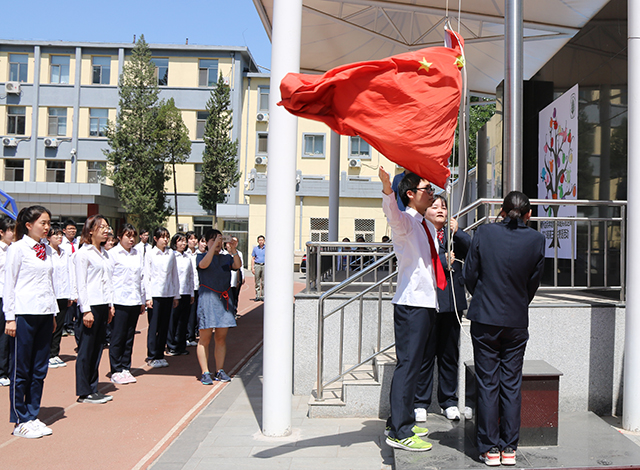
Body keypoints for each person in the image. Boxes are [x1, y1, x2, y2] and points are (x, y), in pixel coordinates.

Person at [463, 191, 545, 467]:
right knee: (511, 383)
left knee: (488, 383)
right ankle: (509, 448)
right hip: (516, 320)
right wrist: (519, 302)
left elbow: (469, 274)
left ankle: (489, 449)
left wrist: (484, 297)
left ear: (501, 210)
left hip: (486, 318)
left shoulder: (484, 234)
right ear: (528, 214)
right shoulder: (537, 240)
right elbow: (533, 283)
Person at [379, 167, 444, 452]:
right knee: (407, 367)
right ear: (410, 194)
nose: (431, 194)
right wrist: (385, 189)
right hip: (411, 304)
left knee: (415, 366)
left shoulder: (424, 224)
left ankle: (400, 421)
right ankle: (400, 431)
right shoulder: (405, 221)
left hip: (426, 303)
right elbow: (391, 214)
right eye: (426, 189)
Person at [414, 195, 471, 423]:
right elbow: (417, 260)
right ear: (425, 211)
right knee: (425, 355)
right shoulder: (420, 232)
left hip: (451, 303)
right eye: (434, 206)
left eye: (443, 207)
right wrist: (441, 259)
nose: (440, 210)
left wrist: (459, 231)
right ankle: (420, 402)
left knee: (449, 355)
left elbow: (472, 251)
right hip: (427, 302)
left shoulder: (452, 235)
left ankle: (449, 401)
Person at [4, 206, 58, 438]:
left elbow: (49, 283)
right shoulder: (17, 249)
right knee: (21, 368)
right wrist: (10, 317)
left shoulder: (46, 249)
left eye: (48, 223)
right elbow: (9, 284)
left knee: (39, 368)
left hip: (44, 313)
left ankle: (33, 414)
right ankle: (20, 419)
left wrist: (53, 313)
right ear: (29, 225)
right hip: (24, 314)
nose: (47, 227)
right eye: (42, 223)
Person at [75, 214, 114, 404]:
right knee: (86, 349)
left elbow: (107, 282)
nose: (106, 231)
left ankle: (93, 387)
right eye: (102, 227)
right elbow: (81, 284)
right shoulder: (83, 253)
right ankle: (84, 391)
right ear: (91, 230)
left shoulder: (104, 253)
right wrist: (86, 310)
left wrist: (110, 305)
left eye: (107, 227)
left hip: (102, 305)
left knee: (98, 348)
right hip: (89, 306)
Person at [196, 229, 242, 385]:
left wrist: (233, 249)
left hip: (224, 300)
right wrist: (213, 246)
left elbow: (237, 265)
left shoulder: (226, 258)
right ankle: (205, 372)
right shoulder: (201, 256)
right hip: (207, 300)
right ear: (206, 242)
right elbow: (204, 265)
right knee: (205, 338)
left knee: (221, 338)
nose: (217, 243)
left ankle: (220, 370)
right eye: (213, 240)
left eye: (220, 240)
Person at [108, 224, 145, 385]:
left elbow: (142, 277)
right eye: (127, 236)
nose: (131, 239)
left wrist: (143, 300)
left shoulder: (138, 253)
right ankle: (115, 369)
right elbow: (108, 280)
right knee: (118, 336)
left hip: (134, 300)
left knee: (129, 337)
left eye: (133, 236)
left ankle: (125, 367)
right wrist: (110, 304)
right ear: (119, 237)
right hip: (119, 300)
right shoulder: (112, 254)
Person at [144, 227, 180, 368]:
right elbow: (147, 276)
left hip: (168, 294)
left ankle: (160, 354)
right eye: (162, 237)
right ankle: (152, 355)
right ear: (155, 238)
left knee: (165, 325)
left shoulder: (171, 253)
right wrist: (148, 297)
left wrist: (176, 295)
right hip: (155, 294)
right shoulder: (150, 253)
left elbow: (174, 275)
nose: (165, 239)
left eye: (167, 237)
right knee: (154, 326)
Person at [47, 223, 76, 370]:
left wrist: (71, 294)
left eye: (60, 234)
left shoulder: (65, 253)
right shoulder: (45, 253)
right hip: (50, 295)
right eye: (55, 235)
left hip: (63, 294)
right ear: (48, 238)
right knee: (49, 326)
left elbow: (70, 273)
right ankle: (47, 355)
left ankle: (54, 353)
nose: (59, 237)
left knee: (58, 326)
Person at [166, 233, 194, 356]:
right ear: (174, 243)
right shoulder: (171, 256)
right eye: (180, 241)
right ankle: (171, 345)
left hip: (186, 292)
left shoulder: (187, 257)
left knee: (184, 320)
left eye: (184, 241)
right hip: (175, 293)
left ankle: (181, 345)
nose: (183, 244)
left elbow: (191, 276)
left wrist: (192, 293)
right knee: (173, 320)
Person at [0, 216, 15, 387]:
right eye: (10, 230)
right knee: (3, 335)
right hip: (1, 296)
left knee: (9, 335)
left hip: (10, 297)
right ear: (1, 232)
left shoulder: (14, 250)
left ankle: (8, 369)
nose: (13, 234)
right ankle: (2, 371)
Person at [186, 234, 206, 348]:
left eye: (195, 239)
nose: (194, 241)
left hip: (199, 286)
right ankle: (187, 335)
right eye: (191, 239)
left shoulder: (199, 255)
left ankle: (192, 334)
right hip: (188, 288)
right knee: (189, 313)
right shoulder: (185, 254)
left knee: (196, 312)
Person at [61, 219, 78, 338]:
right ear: (64, 230)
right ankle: (64, 325)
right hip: (66, 275)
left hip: (76, 275)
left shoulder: (79, 243)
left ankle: (71, 325)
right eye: (70, 229)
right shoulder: (61, 244)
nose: (72, 231)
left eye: (74, 229)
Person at [251, 235, 265, 301]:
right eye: (259, 240)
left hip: (264, 265)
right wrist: (252, 267)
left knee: (264, 282)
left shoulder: (267, 248)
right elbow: (253, 258)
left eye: (262, 240)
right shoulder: (255, 249)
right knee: (257, 281)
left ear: (264, 241)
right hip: (257, 265)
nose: (261, 241)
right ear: (258, 241)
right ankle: (257, 296)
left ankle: (263, 295)